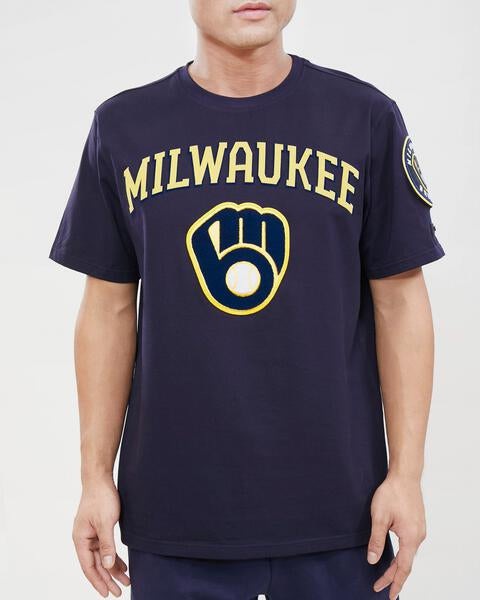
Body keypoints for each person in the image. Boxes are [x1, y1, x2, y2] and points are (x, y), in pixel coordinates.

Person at [48, 1, 445, 598]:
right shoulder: (125, 126)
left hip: (343, 513)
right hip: (176, 512)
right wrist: (94, 479)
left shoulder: (363, 117)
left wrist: (406, 476)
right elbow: (107, 309)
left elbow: (401, 301)